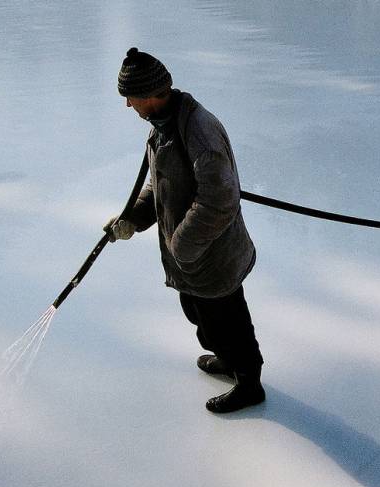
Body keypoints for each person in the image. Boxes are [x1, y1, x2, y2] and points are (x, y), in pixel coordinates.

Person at [105, 47, 264, 413]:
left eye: (130, 98)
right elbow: (160, 185)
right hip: (191, 258)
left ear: (149, 94)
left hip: (213, 255)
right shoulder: (163, 126)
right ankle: (226, 358)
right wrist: (134, 218)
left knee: (229, 321)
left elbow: (219, 199)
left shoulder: (199, 131)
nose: (129, 106)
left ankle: (249, 383)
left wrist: (181, 246)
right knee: (203, 318)